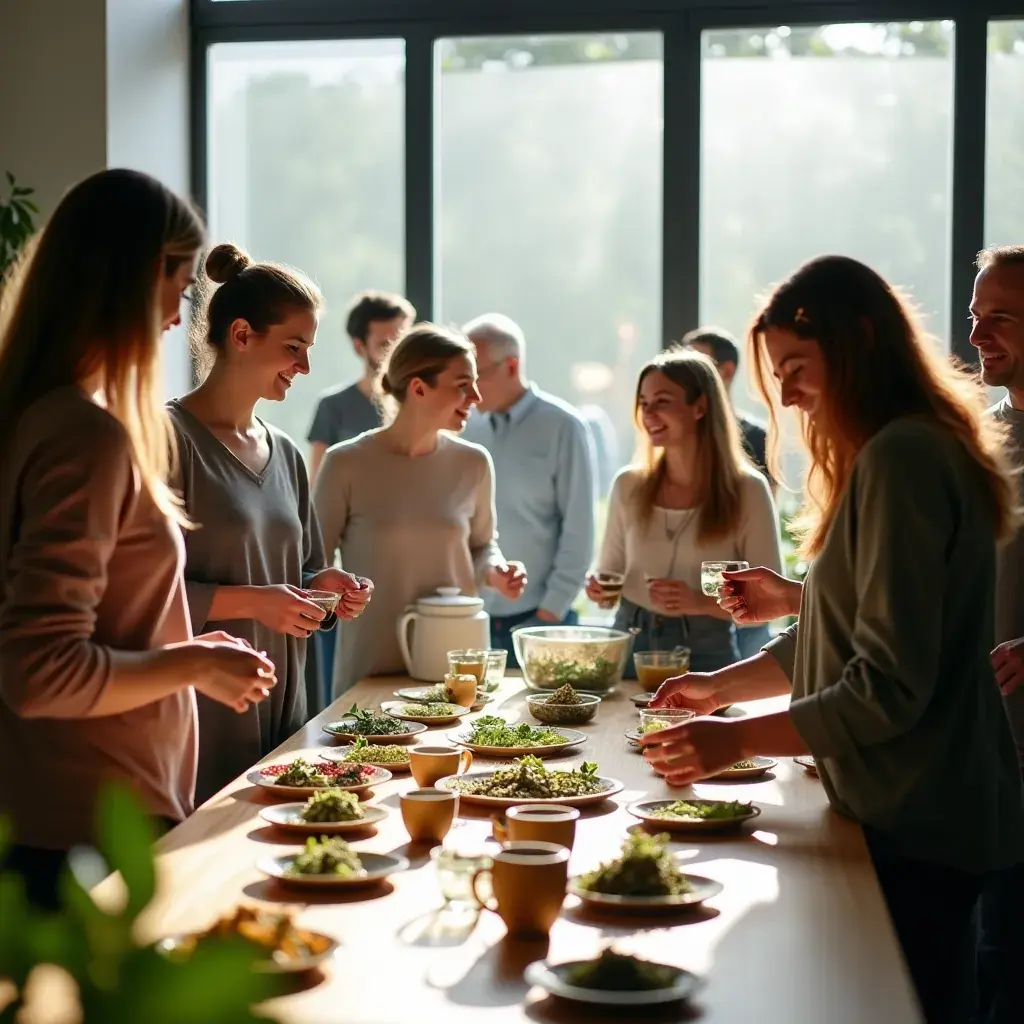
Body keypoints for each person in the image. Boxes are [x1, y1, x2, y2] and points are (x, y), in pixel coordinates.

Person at [644, 255, 1024, 1023]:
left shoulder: (903, 457)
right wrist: (722, 692)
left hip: (920, 823)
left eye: (796, 368)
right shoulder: (896, 447)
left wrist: (733, 740)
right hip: (906, 813)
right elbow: (841, 631)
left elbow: (885, 686)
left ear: (859, 341)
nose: (785, 395)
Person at [0, 170, 276, 909]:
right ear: (137, 274)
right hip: (85, 835)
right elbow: (40, 672)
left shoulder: (44, 416)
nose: (173, 316)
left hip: (71, 821)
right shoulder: (84, 435)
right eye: (180, 284)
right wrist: (193, 662)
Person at [169, 243, 372, 803]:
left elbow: (304, 571)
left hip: (286, 709)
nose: (304, 367)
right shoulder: (167, 442)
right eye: (293, 347)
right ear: (240, 336)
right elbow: (142, 601)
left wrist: (325, 589)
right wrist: (258, 602)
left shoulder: (284, 452)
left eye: (307, 349)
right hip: (202, 717)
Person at [314, 323, 528, 695]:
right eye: (463, 384)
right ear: (418, 388)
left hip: (456, 669)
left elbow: (481, 546)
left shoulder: (474, 463)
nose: (476, 396)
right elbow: (313, 566)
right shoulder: (345, 463)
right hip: (371, 666)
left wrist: (496, 572)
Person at [585, 348, 782, 672]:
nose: (648, 414)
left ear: (700, 407)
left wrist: (698, 602)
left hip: (707, 654)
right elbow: (608, 584)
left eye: (662, 401)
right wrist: (597, 589)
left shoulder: (747, 490)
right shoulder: (628, 485)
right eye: (644, 403)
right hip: (627, 649)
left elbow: (771, 601)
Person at [461, 313, 595, 661]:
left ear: (512, 365)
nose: (470, 390)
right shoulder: (464, 427)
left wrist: (549, 614)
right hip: (470, 618)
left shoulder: (564, 427)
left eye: (478, 375)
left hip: (541, 622)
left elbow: (579, 530)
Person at [969, 243, 1024, 1024]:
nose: (978, 335)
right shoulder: (989, 433)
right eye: (977, 317)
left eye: (1001, 318)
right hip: (992, 751)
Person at [683, 326, 776, 661]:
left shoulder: (758, 438)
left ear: (726, 370)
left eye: (698, 362)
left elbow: (765, 516)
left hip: (744, 596)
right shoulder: (679, 443)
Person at [307, 290, 416, 481]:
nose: (397, 353)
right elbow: (317, 486)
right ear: (359, 346)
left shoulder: (420, 402)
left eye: (403, 342)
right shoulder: (332, 407)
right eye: (385, 345)